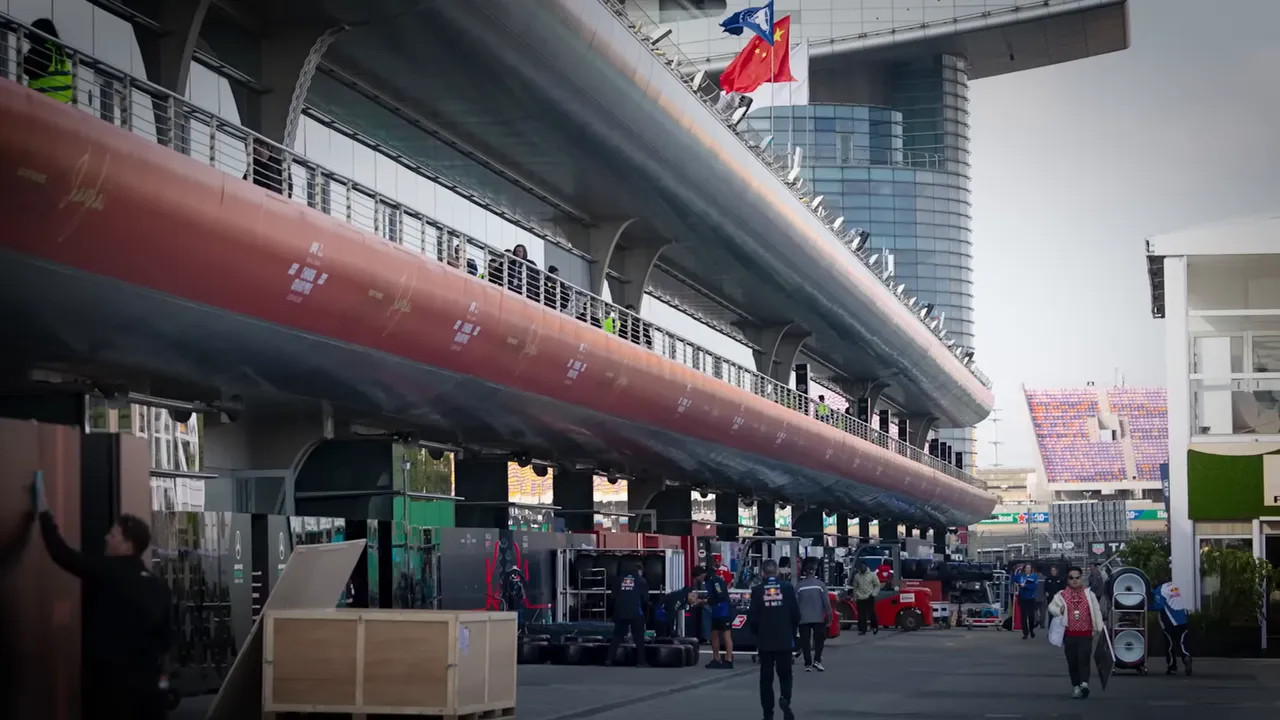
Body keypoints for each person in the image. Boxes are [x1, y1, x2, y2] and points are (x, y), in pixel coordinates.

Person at [31, 475, 172, 719]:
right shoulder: (159, 587)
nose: (107, 538)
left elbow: (63, 555)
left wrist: (44, 513)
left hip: (111, 687)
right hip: (147, 688)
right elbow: (167, 640)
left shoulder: (109, 571)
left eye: (114, 535)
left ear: (128, 546)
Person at [748, 559, 799, 720]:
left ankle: (768, 714)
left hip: (765, 641)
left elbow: (752, 617)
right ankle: (785, 699)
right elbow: (796, 615)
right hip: (784, 640)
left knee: (766, 678)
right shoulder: (787, 588)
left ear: (763, 573)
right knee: (785, 674)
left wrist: (756, 633)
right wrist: (792, 632)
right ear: (776, 571)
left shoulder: (757, 590)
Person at [1048, 566, 1104, 699]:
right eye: (1071, 578)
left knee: (1083, 660)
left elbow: (1097, 612)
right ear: (1067, 579)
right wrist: (1059, 610)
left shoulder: (1089, 594)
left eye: (1077, 577)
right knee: (1072, 662)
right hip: (1069, 635)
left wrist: (1100, 629)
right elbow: (1051, 607)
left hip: (1085, 634)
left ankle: (1084, 684)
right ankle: (1076, 687)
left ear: (1081, 578)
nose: (1074, 580)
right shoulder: (1061, 595)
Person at [605, 560, 649, 667]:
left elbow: (613, 597)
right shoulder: (641, 580)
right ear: (640, 571)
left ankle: (609, 660)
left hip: (620, 612)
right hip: (635, 612)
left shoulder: (618, 579)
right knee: (639, 638)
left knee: (617, 637)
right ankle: (641, 662)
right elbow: (645, 599)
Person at [23, 18, 73, 103]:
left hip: (43, 100)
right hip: (63, 102)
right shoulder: (58, 51)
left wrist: (26, 58)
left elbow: (30, 70)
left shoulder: (42, 50)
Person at [795, 558, 832, 671]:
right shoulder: (820, 585)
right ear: (814, 571)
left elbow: (795, 604)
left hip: (803, 618)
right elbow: (826, 603)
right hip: (818, 618)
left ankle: (807, 664)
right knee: (819, 640)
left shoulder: (799, 586)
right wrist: (829, 616)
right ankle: (817, 660)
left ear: (804, 572)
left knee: (805, 641)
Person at [1152, 576, 1192, 675]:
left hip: (1170, 621)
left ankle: (1172, 666)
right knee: (1182, 642)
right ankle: (1186, 656)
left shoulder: (1160, 590)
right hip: (1183, 620)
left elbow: (1159, 606)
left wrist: (1147, 606)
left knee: (1170, 644)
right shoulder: (1174, 587)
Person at [656, 567, 706, 637]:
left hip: (666, 611)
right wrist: (672, 630)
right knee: (663, 634)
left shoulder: (685, 596)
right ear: (690, 594)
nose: (694, 600)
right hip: (662, 612)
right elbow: (673, 613)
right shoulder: (680, 598)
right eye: (694, 597)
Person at [705, 559, 735, 668]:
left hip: (723, 611)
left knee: (726, 635)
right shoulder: (711, 580)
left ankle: (729, 659)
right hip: (717, 611)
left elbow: (720, 595)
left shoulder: (714, 580)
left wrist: (707, 601)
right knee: (714, 635)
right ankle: (716, 658)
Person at [852, 561, 881, 635]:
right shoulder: (857, 576)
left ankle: (874, 627)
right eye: (861, 567)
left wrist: (873, 594)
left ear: (866, 567)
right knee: (861, 615)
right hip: (860, 597)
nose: (862, 568)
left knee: (871, 613)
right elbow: (855, 587)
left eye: (864, 566)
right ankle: (862, 629)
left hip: (869, 596)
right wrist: (855, 597)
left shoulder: (872, 575)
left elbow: (877, 585)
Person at [1013, 562, 1039, 639]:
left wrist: (1025, 586)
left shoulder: (1034, 576)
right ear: (1024, 569)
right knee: (1023, 616)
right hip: (1022, 598)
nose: (1028, 569)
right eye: (1027, 568)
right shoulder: (1020, 576)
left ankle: (1031, 630)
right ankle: (1025, 633)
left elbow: (1034, 587)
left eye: (1029, 568)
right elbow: (1013, 578)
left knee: (1031, 616)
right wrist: (1018, 583)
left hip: (1031, 598)